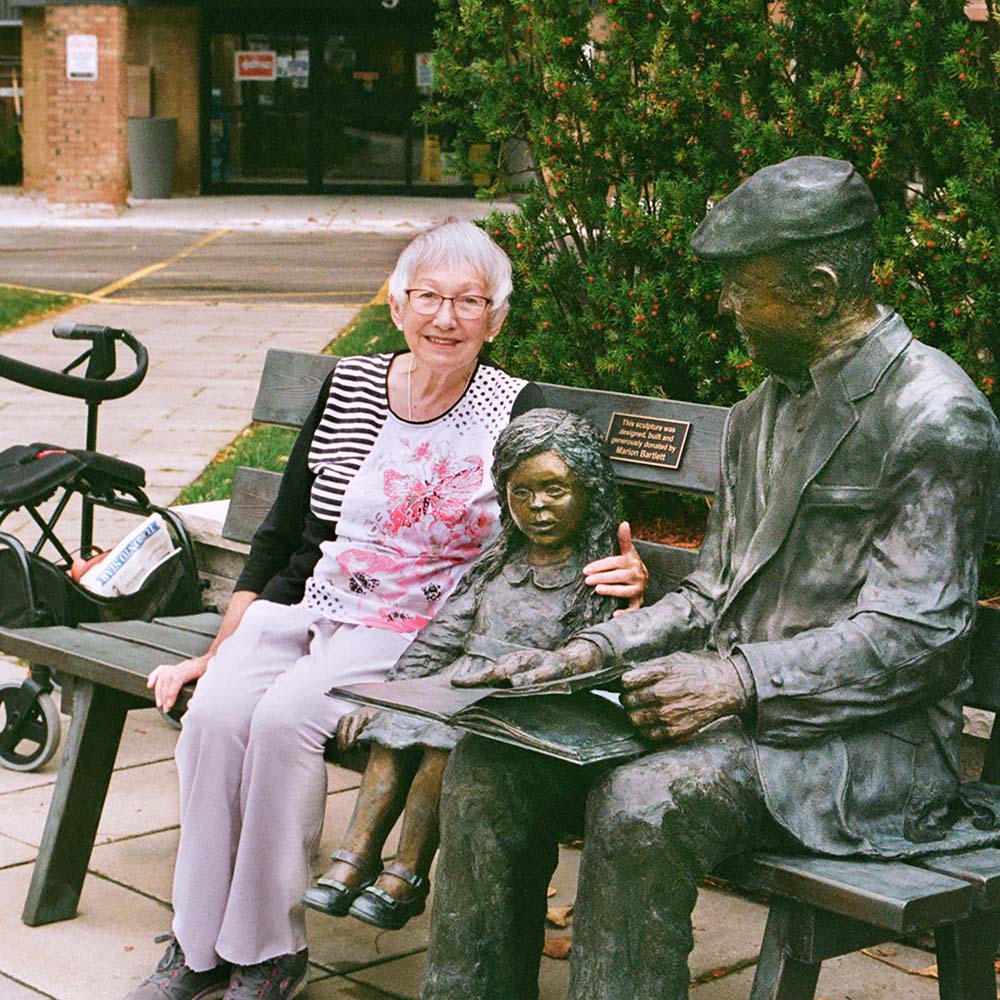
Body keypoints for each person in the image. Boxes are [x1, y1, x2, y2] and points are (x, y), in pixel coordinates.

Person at [419, 157, 1000, 1000]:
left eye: (741, 285)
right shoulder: (755, 414)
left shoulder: (935, 414)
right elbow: (709, 592)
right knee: (487, 766)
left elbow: (920, 640)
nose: (724, 307)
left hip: (865, 747)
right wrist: (585, 653)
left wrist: (733, 680)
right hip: (733, 722)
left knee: (643, 804)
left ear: (820, 286)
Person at [123, 221, 647, 1000]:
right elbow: (278, 540)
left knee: (282, 722)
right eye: (428, 297)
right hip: (308, 606)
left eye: (469, 302)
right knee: (216, 714)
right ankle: (197, 945)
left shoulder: (512, 406)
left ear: (495, 320)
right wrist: (214, 653)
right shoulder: (351, 386)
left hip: (416, 629)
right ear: (397, 304)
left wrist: (625, 570)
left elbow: (567, 523)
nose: (446, 318)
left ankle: (266, 950)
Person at [302, 407, 622, 931]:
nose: (537, 506)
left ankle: (405, 876)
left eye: (554, 490)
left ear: (588, 491)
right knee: (395, 729)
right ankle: (353, 858)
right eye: (521, 492)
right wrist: (386, 696)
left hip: (522, 698)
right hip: (460, 680)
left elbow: (590, 655)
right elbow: (443, 634)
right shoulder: (496, 565)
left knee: (440, 748)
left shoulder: (595, 571)